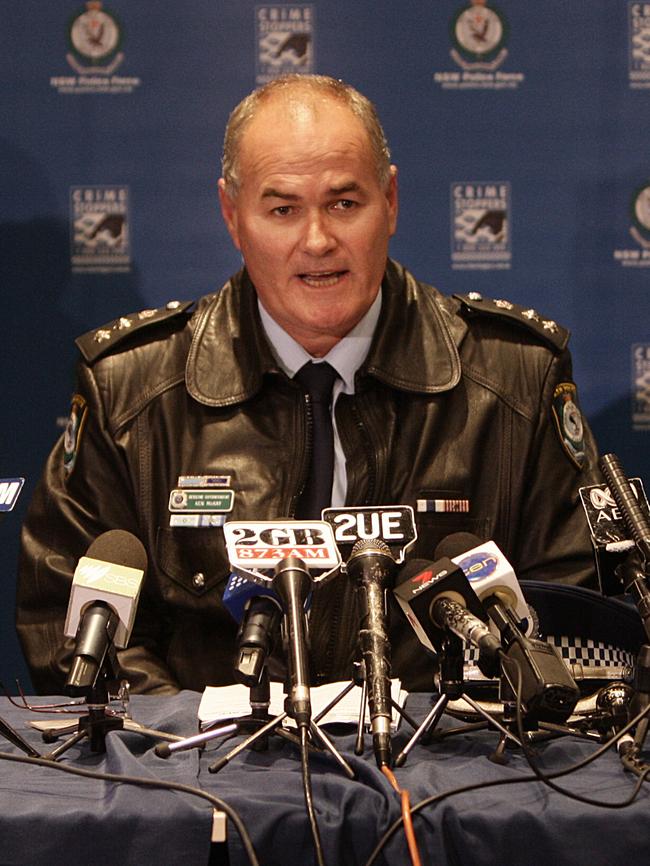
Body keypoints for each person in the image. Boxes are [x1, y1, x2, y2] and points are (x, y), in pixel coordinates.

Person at [17, 74, 602, 696]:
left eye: (344, 204)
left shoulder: (515, 380)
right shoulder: (131, 391)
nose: (318, 240)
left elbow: (576, 618)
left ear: (392, 201)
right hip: (204, 779)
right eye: (283, 209)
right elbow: (69, 628)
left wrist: (445, 754)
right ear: (232, 216)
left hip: (448, 774)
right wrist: (189, 758)